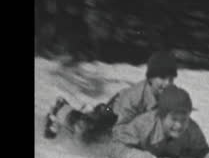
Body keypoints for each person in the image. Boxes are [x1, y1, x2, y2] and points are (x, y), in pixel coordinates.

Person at [44, 50, 179, 142]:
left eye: (170, 79)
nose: (166, 83)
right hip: (116, 109)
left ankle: (94, 113)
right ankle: (60, 109)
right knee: (87, 134)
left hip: (129, 118)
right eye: (162, 77)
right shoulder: (138, 94)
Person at [108, 84, 209, 158]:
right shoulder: (144, 124)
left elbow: (201, 150)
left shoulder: (192, 129)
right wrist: (133, 156)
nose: (179, 125)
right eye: (174, 119)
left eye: (184, 119)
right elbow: (115, 146)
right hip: (114, 124)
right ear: (162, 116)